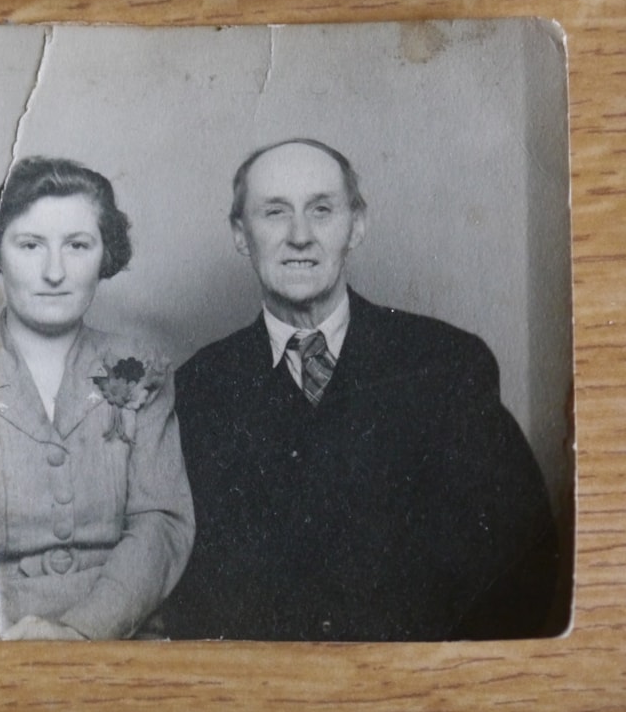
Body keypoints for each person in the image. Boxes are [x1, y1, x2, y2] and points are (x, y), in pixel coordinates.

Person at [165, 138, 560, 642]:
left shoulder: (445, 365)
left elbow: (522, 559)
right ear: (241, 235)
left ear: (357, 226)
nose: (300, 236)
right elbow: (187, 585)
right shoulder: (200, 387)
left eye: (322, 210)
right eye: (275, 213)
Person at [0, 156, 195, 640]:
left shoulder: (144, 371)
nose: (55, 271)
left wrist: (82, 633)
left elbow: (160, 528)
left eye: (77, 245)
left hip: (124, 645)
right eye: (30, 245)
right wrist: (0, 647)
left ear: (106, 254)